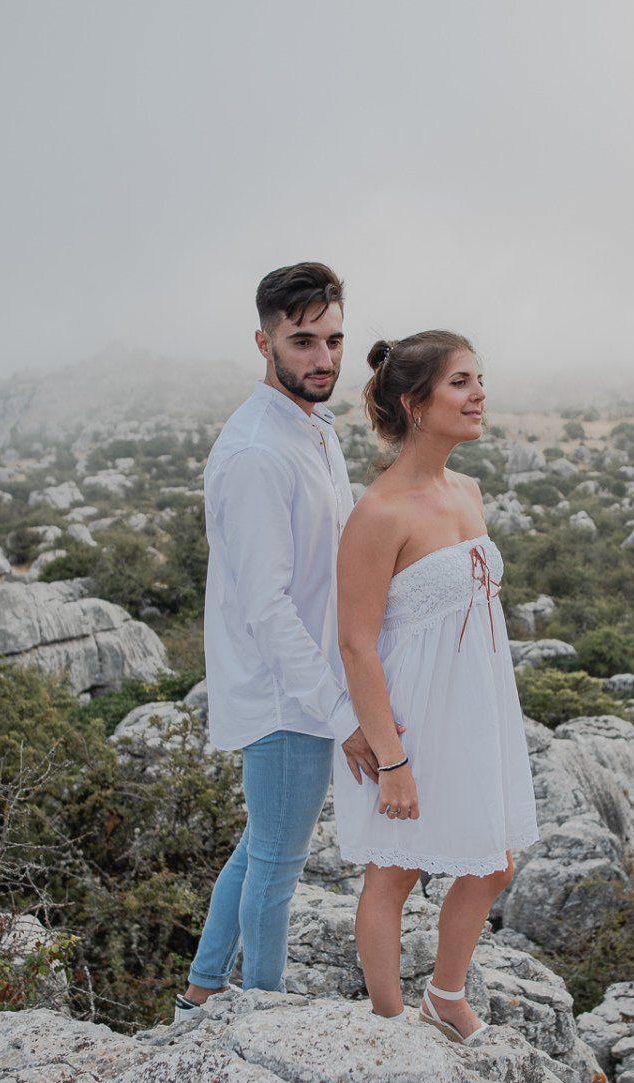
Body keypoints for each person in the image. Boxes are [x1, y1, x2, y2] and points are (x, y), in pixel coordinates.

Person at [176, 262, 392, 1019]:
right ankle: (262, 1013)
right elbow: (268, 607)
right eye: (303, 341)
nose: (323, 357)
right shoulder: (258, 454)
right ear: (263, 341)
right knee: (277, 864)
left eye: (333, 339)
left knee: (258, 845)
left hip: (306, 681)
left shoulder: (310, 428)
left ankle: (200, 992)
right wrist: (342, 715)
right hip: (284, 692)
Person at [334, 330, 538, 1044]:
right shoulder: (379, 513)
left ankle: (443, 995)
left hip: (474, 710)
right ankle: (390, 1027)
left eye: (479, 379)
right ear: (413, 403)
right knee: (394, 873)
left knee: (494, 863)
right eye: (460, 382)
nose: (479, 394)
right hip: (411, 719)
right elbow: (357, 644)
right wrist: (390, 758)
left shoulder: (468, 491)